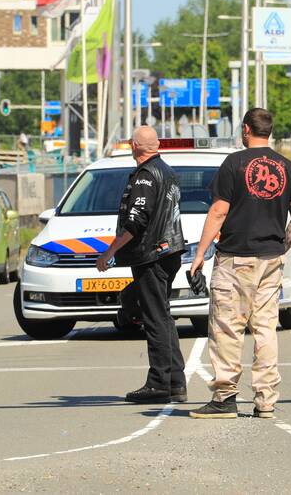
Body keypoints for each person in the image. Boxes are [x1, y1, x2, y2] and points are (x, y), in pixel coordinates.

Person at [188, 108, 291, 420]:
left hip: (235, 257)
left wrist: (200, 253)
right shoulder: (288, 167)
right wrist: (280, 246)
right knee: (265, 328)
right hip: (271, 258)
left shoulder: (234, 163)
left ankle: (225, 396)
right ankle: (265, 400)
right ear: (270, 131)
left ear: (245, 130)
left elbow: (218, 211)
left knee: (228, 326)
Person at [96, 126, 187, 404]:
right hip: (168, 251)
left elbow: (137, 219)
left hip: (152, 254)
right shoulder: (167, 171)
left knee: (155, 318)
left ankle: (158, 384)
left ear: (134, 146)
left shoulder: (146, 175)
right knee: (162, 315)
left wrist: (109, 253)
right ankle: (175, 382)